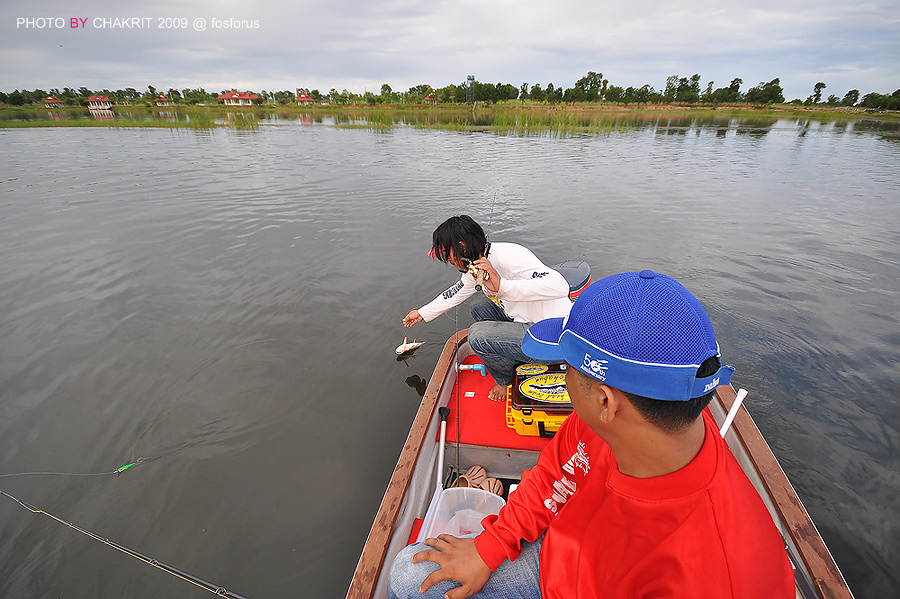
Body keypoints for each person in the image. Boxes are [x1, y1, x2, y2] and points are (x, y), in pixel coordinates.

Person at [389, 270, 795, 599]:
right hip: (558, 562)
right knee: (410, 576)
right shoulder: (604, 423)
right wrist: (488, 547)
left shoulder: (721, 575)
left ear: (605, 400)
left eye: (567, 367)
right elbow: (550, 477)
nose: (562, 379)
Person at [403, 215, 572, 401]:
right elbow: (456, 292)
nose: (447, 259)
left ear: (462, 246)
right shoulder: (475, 265)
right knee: (478, 306)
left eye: (447, 252)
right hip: (524, 318)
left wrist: (502, 286)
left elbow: (559, 286)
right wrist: (422, 312)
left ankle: (504, 381)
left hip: (552, 337)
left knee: (477, 335)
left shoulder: (510, 255)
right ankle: (512, 357)